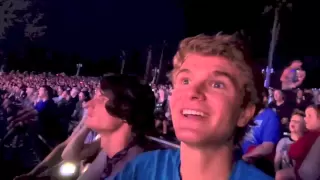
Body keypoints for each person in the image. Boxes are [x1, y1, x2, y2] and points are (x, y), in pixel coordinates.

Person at [108, 34, 271, 180]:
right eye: (185, 81)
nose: (193, 91)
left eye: (217, 84)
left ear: (244, 113)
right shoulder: (142, 169)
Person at [62, 74, 159, 179]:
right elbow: (69, 157)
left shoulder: (135, 165)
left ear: (125, 110)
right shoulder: (110, 152)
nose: (87, 105)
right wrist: (88, 122)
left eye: (101, 99)